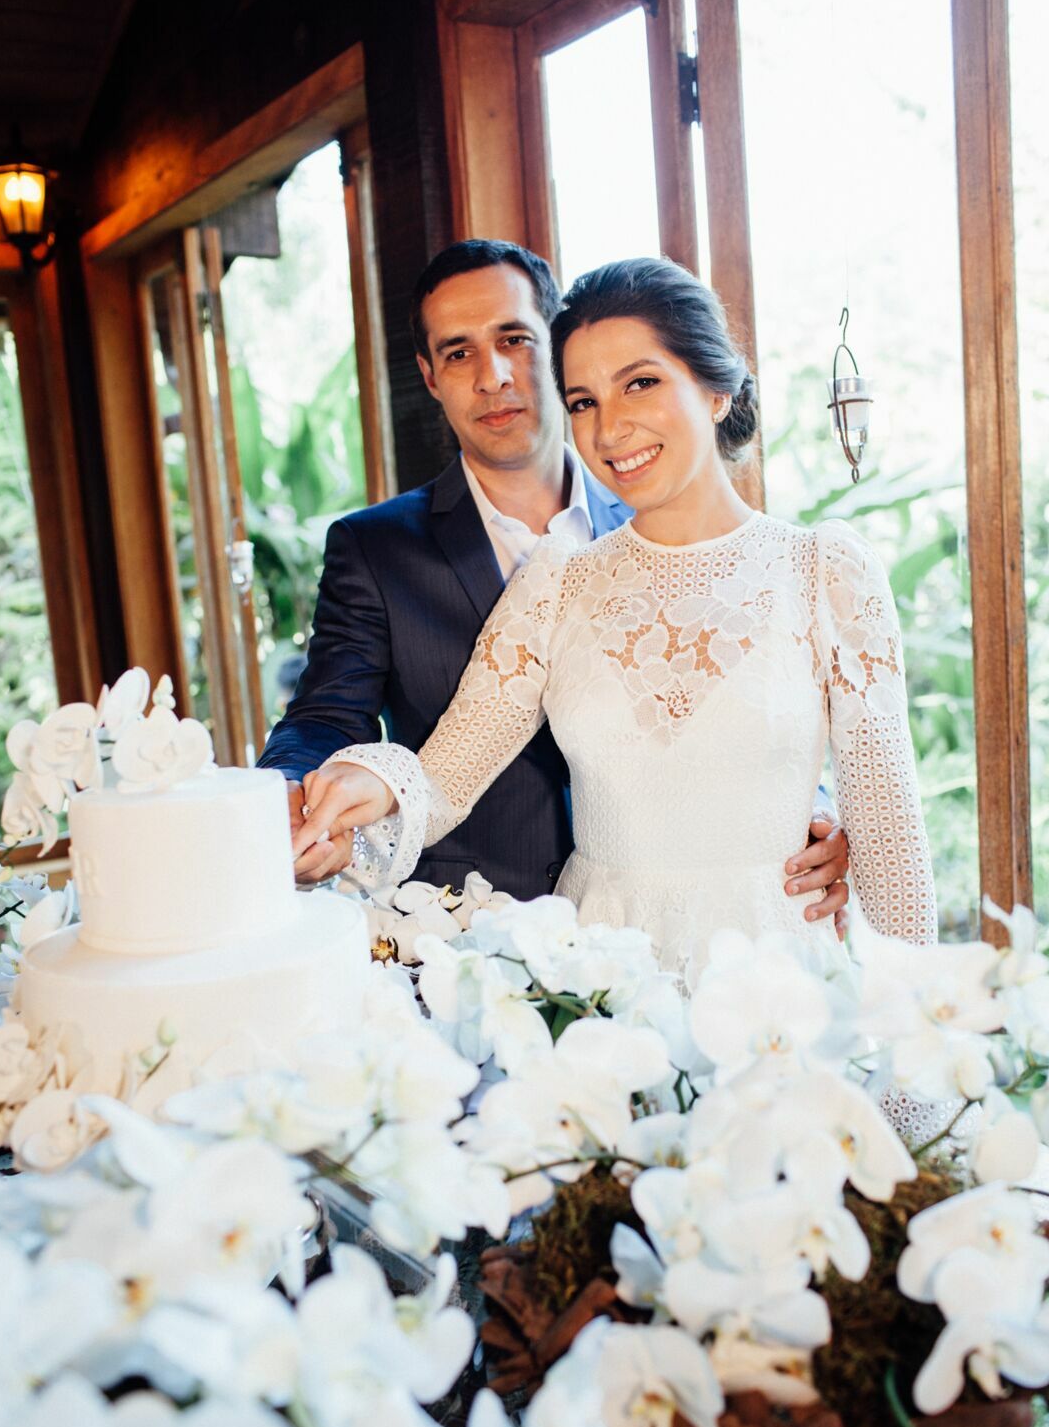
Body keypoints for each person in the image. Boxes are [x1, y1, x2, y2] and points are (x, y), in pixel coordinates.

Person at [263, 241, 851, 926]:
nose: (492, 376)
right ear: (428, 376)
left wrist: (812, 816)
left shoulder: (678, 508)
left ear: (555, 347)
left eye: (515, 338)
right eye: (458, 353)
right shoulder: (375, 548)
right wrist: (293, 798)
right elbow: (326, 718)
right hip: (470, 926)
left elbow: (751, 698)